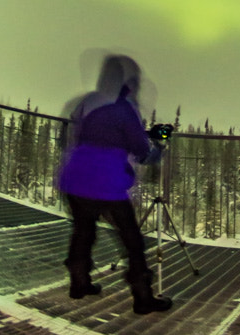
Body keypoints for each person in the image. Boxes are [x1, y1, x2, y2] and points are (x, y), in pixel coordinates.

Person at [57, 54, 172, 314]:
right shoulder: (124, 108)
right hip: (107, 183)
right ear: (129, 84)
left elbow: (81, 134)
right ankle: (143, 297)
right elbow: (142, 152)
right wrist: (159, 147)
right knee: (132, 241)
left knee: (83, 231)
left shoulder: (87, 102)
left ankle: (79, 283)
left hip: (74, 177)